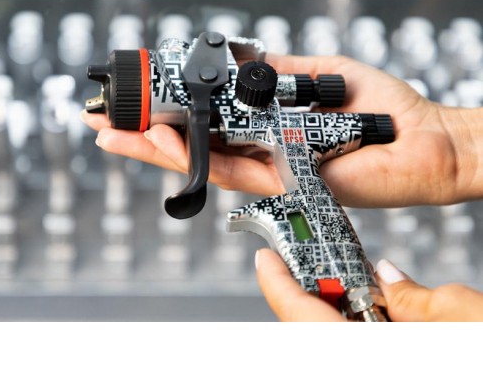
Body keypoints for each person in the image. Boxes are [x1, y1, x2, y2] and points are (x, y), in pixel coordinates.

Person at [81, 54, 483, 321]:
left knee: (323, 256)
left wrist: (458, 145)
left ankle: (353, 290)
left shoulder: (286, 131)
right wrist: (456, 144)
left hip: (296, 134)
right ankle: (351, 291)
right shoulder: (267, 116)